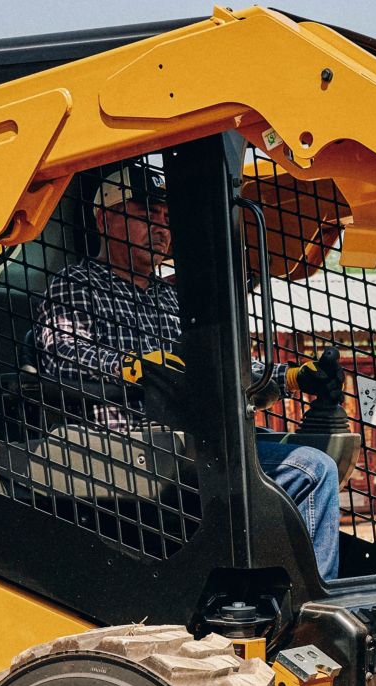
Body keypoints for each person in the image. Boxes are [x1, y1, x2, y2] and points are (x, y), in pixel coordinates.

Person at [32, 169, 342, 577]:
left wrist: (287, 378)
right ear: (104, 219)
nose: (160, 229)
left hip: (194, 434)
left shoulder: (171, 297)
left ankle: (276, 581)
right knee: (311, 469)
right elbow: (60, 353)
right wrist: (129, 368)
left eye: (165, 219)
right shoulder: (78, 285)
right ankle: (313, 597)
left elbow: (214, 366)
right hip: (125, 438)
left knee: (309, 450)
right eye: (146, 215)